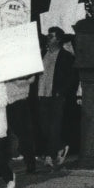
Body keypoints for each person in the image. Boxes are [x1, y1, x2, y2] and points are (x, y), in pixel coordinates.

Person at [34, 27, 78, 168]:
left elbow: (72, 77)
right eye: (48, 36)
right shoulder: (42, 55)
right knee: (44, 126)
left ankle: (49, 155)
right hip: (42, 94)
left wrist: (62, 91)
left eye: (51, 36)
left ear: (58, 39)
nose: (48, 38)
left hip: (57, 96)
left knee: (54, 126)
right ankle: (61, 146)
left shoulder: (66, 56)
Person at [5, 75, 37, 174]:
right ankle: (3, 165)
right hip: (7, 100)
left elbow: (32, 78)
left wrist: (12, 79)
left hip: (18, 101)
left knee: (23, 133)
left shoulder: (22, 63)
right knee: (7, 135)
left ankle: (30, 163)